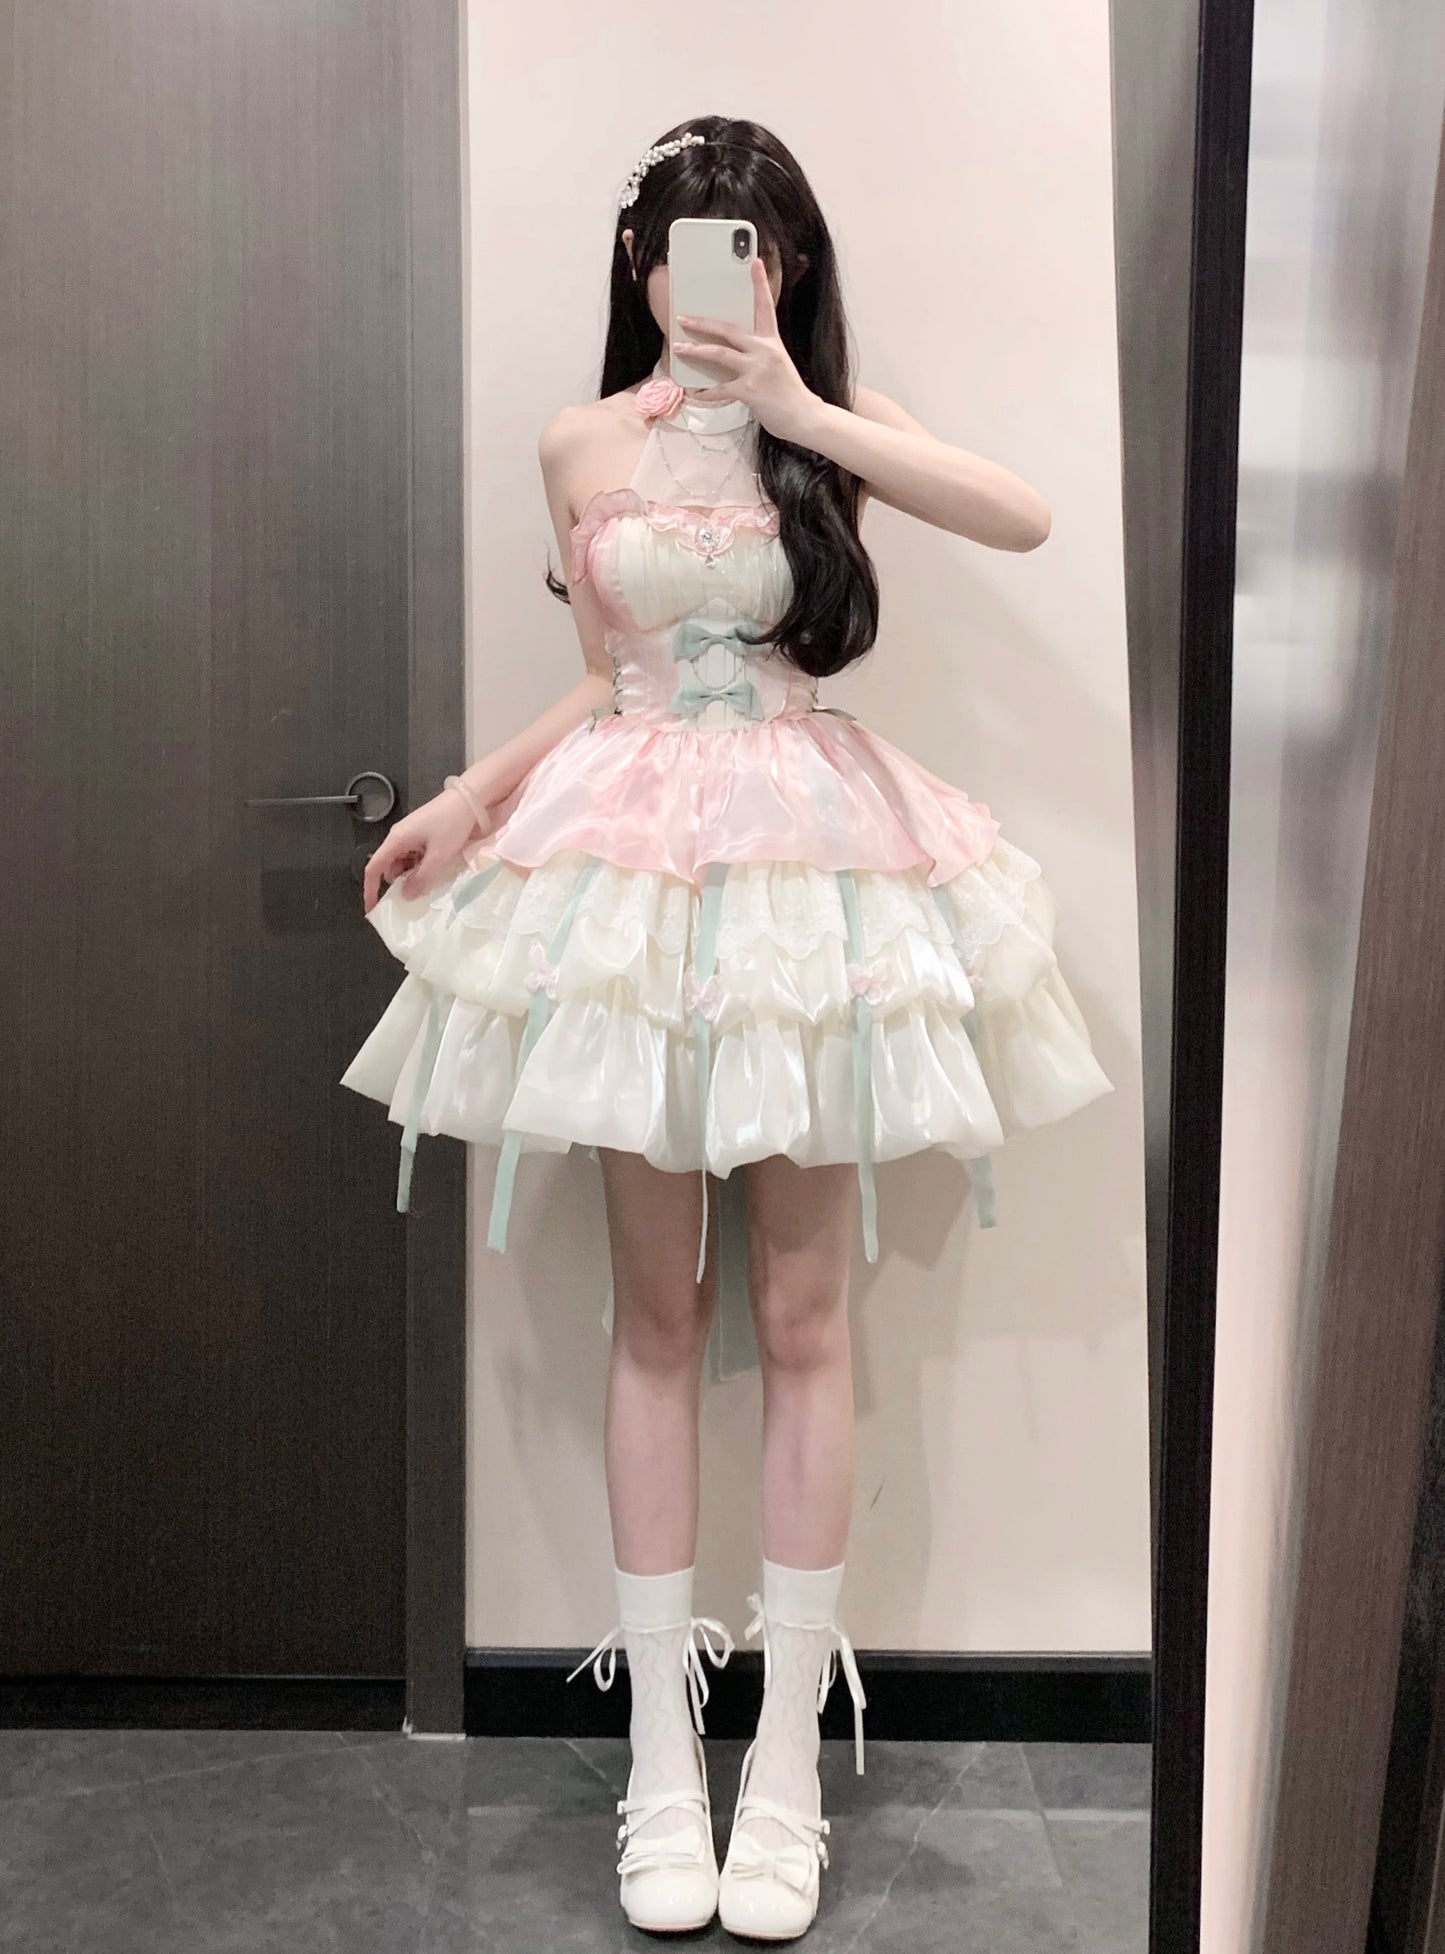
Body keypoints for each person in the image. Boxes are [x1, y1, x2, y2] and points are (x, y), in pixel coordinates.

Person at [340, 114, 1112, 1941]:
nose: (721, 274)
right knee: (656, 1312)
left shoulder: (821, 419)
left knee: (810, 1312)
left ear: (789, 266)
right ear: (639, 267)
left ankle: (782, 1766)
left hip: (803, 872)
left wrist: (797, 405)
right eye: (693, 245)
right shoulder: (579, 440)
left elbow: (1021, 513)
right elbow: (610, 680)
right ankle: (661, 1763)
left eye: (756, 246)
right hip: (632, 874)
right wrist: (470, 796)